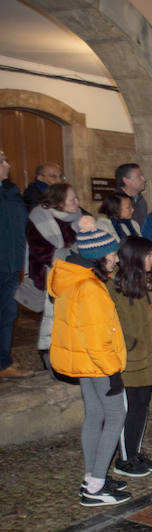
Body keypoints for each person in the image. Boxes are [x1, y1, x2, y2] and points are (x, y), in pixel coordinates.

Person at [47, 216, 129, 505]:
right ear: (98, 258)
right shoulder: (91, 289)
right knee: (116, 415)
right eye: (112, 254)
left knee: (95, 415)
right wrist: (113, 373)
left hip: (84, 363)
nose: (116, 259)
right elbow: (97, 338)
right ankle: (95, 487)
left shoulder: (73, 278)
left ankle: (93, 476)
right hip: (97, 363)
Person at [107, 236, 152, 477]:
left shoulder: (145, 283)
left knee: (141, 405)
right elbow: (111, 325)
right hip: (126, 361)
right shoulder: (113, 287)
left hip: (146, 357)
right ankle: (124, 460)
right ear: (136, 257)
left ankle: (134, 451)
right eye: (149, 254)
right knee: (127, 409)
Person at [27, 182, 82, 373]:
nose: (77, 202)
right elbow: (43, 252)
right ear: (59, 202)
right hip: (50, 277)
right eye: (72, 199)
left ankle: (72, 360)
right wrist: (75, 254)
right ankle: (53, 363)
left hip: (77, 276)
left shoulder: (80, 217)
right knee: (54, 324)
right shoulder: (39, 218)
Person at [0, 151, 33, 378]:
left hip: (12, 265)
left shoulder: (12, 192)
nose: (8, 165)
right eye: (1, 161)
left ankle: (3, 364)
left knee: (8, 314)